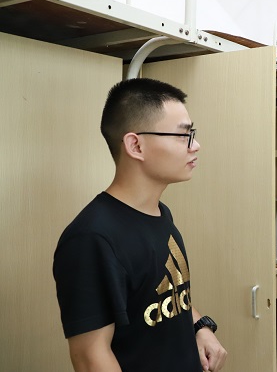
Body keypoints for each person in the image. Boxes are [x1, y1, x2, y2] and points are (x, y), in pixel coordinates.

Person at [53, 78, 227, 372]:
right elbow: (90, 357)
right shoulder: (92, 238)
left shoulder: (160, 213)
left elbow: (168, 295)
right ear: (135, 145)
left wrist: (200, 326)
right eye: (183, 135)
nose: (195, 145)